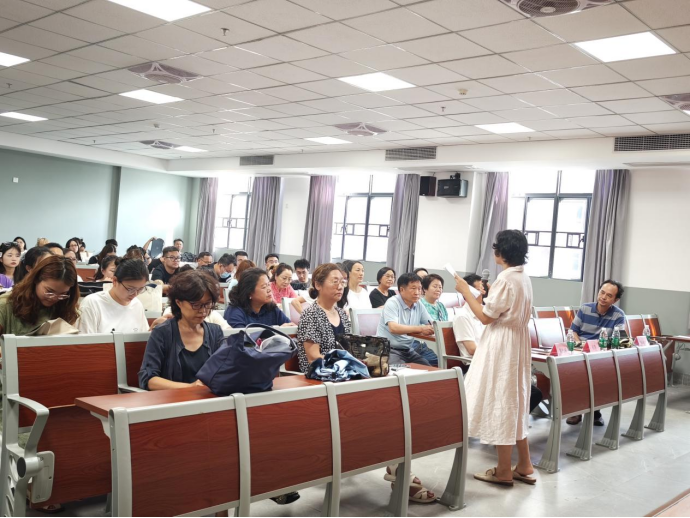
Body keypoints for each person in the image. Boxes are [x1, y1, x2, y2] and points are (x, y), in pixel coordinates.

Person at [454, 229, 536, 488]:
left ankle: (503, 470)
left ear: (502, 252)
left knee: (502, 399)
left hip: (502, 342)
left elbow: (485, 318)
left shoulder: (505, 278)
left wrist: (466, 292)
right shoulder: (523, 277)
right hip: (517, 341)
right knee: (515, 399)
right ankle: (524, 464)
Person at [453, 285, 544, 413]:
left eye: (483, 288)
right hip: (477, 366)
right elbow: (472, 349)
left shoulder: (487, 315)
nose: (483, 291)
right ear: (467, 292)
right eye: (478, 289)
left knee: (531, 393)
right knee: (528, 393)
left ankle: (508, 422)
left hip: (494, 363)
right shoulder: (463, 316)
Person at [138, 270, 224, 390]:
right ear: (178, 302)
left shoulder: (215, 332)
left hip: (210, 398)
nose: (203, 311)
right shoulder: (163, 332)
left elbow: (224, 371)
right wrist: (190, 387)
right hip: (172, 399)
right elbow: (149, 379)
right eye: (196, 304)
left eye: (208, 304)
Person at [566, 279, 627, 427]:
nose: (603, 297)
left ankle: (595, 411)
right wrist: (580, 346)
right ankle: (576, 411)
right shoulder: (585, 308)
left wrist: (600, 348)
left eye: (609, 295)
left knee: (599, 375)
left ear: (615, 300)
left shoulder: (619, 315)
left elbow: (620, 340)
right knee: (575, 374)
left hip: (601, 354)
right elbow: (573, 331)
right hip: (580, 351)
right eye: (602, 292)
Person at [0, 255, 79, 336]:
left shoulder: (66, 306)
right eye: (50, 291)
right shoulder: (5, 305)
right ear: (36, 279)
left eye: (63, 294)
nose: (54, 298)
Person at [297, 263, 350, 373]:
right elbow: (313, 358)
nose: (340, 287)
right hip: (319, 373)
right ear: (318, 285)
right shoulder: (311, 314)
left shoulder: (342, 314)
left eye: (342, 282)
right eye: (335, 281)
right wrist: (344, 363)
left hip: (342, 371)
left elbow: (348, 349)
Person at [377, 273, 438, 367]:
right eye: (413, 288)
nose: (417, 292)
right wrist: (421, 329)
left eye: (419, 289)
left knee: (429, 369)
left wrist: (432, 328)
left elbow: (431, 323)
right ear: (402, 289)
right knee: (401, 372)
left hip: (408, 350)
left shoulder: (418, 304)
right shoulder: (392, 303)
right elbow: (394, 328)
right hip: (388, 349)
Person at [79, 259, 150, 334]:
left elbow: (142, 337)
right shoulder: (92, 304)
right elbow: (85, 340)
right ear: (115, 281)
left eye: (140, 289)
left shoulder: (137, 304)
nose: (135, 294)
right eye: (130, 289)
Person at [223, 268, 291, 328]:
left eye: (268, 285)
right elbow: (241, 336)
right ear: (249, 292)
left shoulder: (272, 309)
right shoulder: (235, 311)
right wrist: (277, 330)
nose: (269, 290)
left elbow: (290, 327)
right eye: (264, 287)